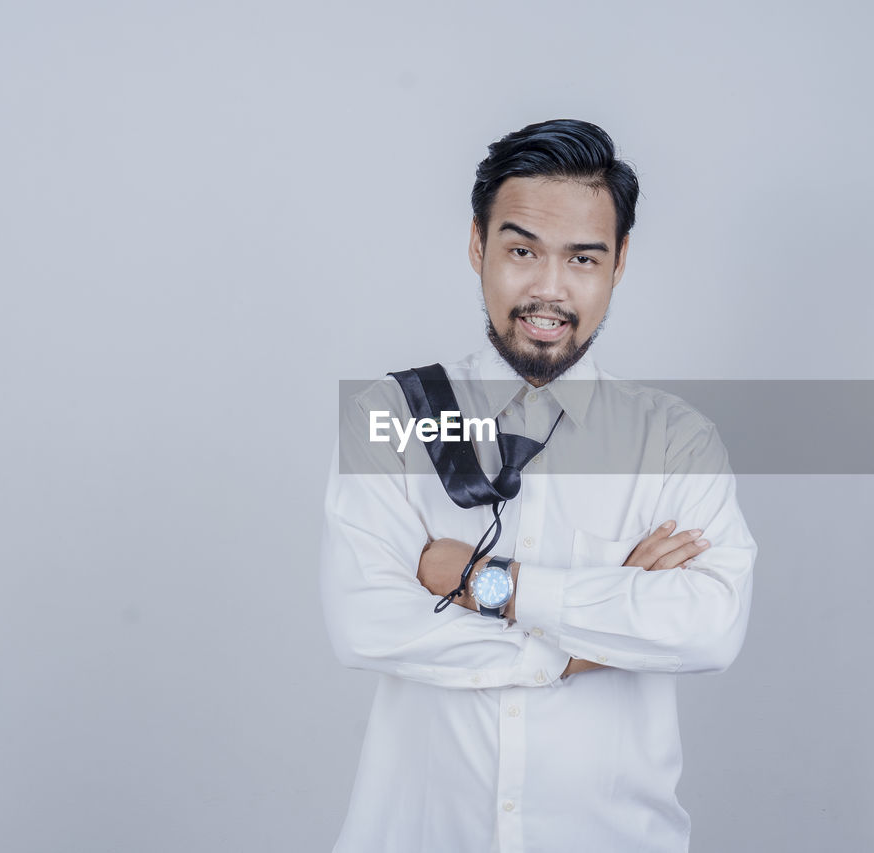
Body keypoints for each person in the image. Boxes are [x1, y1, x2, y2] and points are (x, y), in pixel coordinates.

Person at [319, 119, 757, 852]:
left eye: (582, 258)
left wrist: (490, 583)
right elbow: (365, 619)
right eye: (522, 250)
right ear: (476, 247)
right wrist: (589, 639)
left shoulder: (675, 441)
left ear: (618, 264)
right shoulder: (392, 416)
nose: (548, 289)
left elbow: (709, 624)